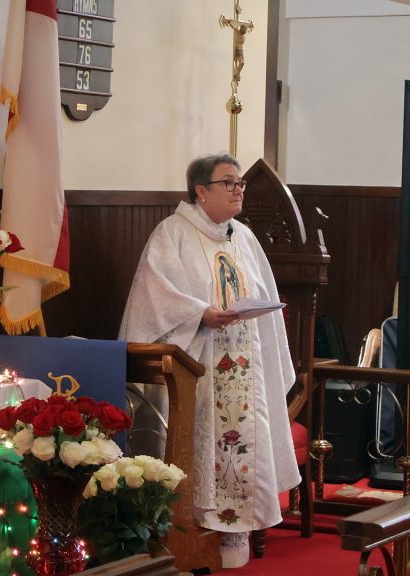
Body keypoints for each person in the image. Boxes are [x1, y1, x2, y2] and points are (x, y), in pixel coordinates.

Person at [118, 154, 299, 569]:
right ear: (201, 191)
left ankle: (234, 542)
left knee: (244, 444)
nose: (238, 189)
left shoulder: (244, 238)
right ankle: (193, 537)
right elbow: (155, 298)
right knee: (203, 448)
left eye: (240, 184)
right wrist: (201, 313)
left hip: (244, 366)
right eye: (229, 182)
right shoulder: (173, 235)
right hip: (198, 366)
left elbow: (262, 291)